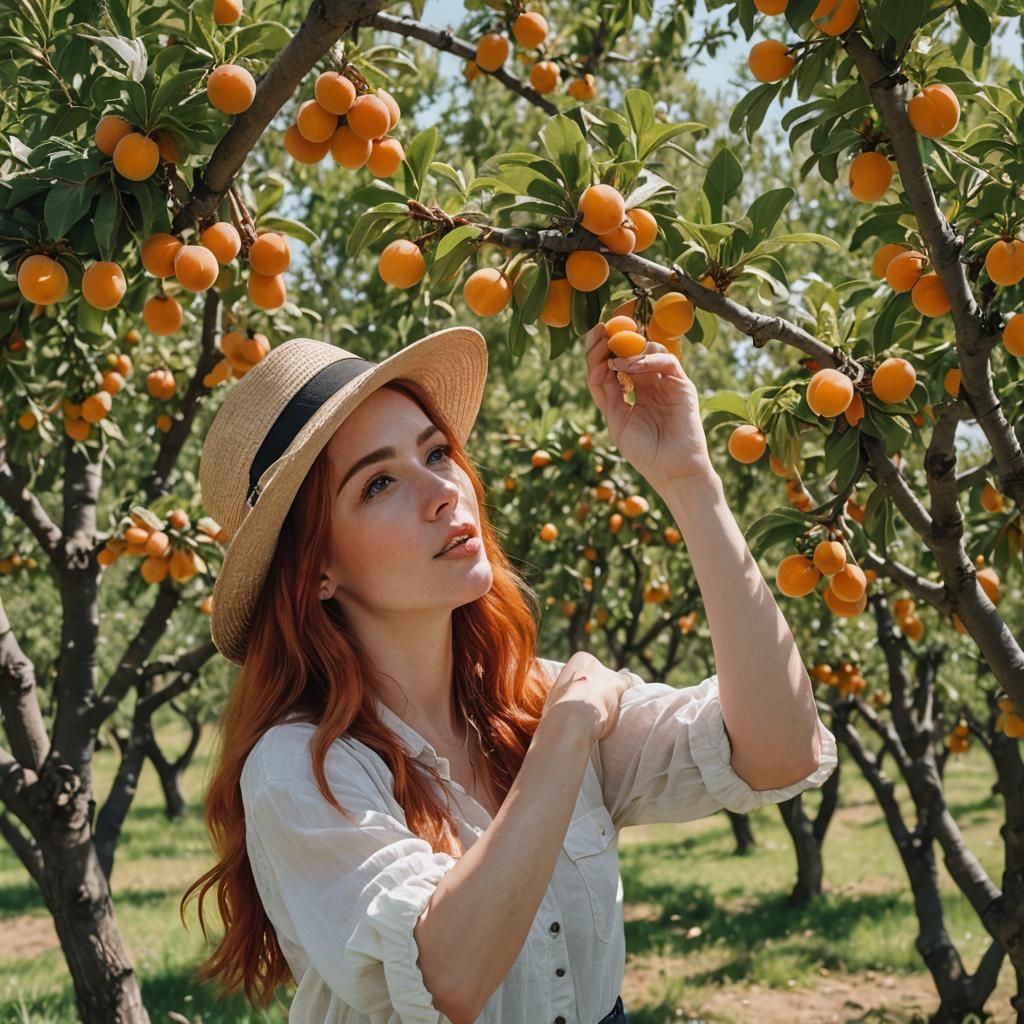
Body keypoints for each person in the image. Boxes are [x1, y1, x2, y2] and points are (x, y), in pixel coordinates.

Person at [181, 324, 838, 1024]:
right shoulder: (300, 767)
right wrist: (569, 730)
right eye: (378, 483)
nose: (441, 491)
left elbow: (780, 751)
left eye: (437, 452)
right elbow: (448, 978)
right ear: (316, 570)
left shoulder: (531, 700)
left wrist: (688, 479)